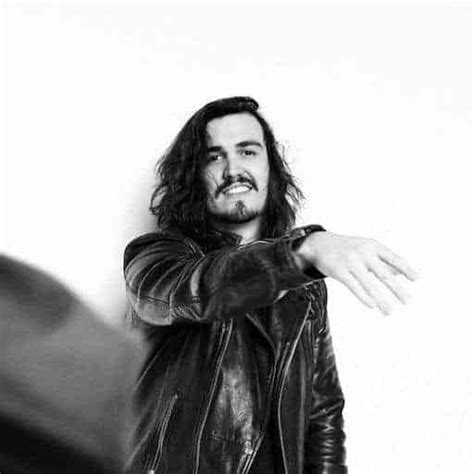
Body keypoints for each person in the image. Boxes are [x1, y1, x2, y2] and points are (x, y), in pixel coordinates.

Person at [123, 96, 417, 474]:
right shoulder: (155, 256)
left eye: (247, 151)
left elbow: (322, 414)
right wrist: (302, 253)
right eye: (214, 156)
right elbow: (194, 293)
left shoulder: (306, 287)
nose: (233, 169)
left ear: (271, 167)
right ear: (193, 176)